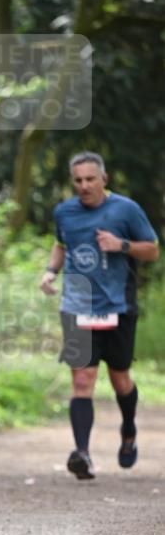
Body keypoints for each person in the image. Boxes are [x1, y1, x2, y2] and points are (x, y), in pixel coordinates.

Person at [41, 151, 159, 480]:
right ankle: (83, 454)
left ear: (103, 179)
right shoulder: (64, 211)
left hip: (118, 307)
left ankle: (129, 429)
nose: (84, 186)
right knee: (82, 380)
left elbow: (152, 249)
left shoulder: (126, 210)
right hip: (77, 306)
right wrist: (51, 272)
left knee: (120, 378)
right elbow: (61, 244)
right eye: (78, 181)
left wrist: (121, 245)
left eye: (90, 179)